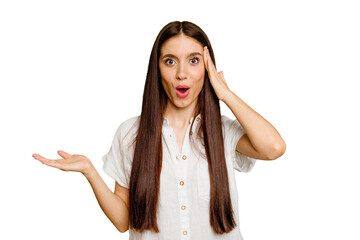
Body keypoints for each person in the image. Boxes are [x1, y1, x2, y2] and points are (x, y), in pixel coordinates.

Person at [32, 20, 286, 240]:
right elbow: (123, 221)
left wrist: (225, 93)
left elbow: (274, 148)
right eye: (170, 61)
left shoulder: (224, 131)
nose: (182, 73)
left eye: (194, 61)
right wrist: (90, 171)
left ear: (206, 69)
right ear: (158, 69)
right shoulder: (131, 133)